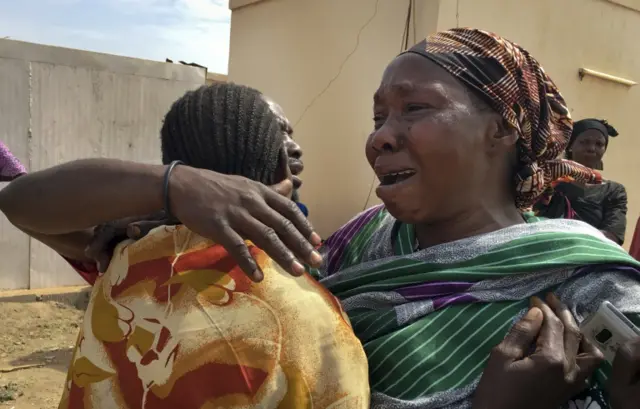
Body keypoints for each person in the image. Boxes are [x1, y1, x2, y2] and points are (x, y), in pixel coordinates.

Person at [2, 29, 640, 409]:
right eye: (377, 118)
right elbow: (22, 201)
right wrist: (175, 188)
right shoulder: (355, 243)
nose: (381, 137)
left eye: (414, 109)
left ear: (501, 128)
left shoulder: (590, 289)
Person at [535, 118, 627, 244]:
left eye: (599, 144)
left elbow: (613, 236)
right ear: (571, 145)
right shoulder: (549, 182)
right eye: (584, 142)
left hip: (596, 253)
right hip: (552, 249)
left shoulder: (614, 190)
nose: (592, 148)